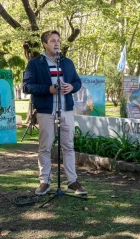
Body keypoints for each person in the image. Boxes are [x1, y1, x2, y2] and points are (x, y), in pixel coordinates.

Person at [23, 30, 87, 195]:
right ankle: (45, 181)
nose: (57, 43)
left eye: (58, 40)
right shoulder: (35, 63)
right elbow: (27, 86)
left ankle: (72, 181)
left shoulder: (67, 62)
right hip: (46, 112)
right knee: (45, 147)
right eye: (52, 41)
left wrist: (72, 87)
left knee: (68, 147)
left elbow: (77, 82)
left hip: (66, 111)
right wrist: (49, 89)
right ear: (44, 43)